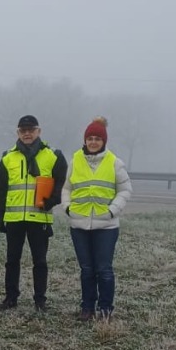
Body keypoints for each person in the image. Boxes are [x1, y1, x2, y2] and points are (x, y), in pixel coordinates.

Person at [0, 115, 67, 313]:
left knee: (40, 262)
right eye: (23, 130)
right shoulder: (7, 157)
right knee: (11, 261)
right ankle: (11, 297)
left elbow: (61, 184)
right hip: (14, 218)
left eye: (31, 130)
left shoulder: (53, 156)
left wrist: (51, 201)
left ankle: (40, 300)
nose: (27, 133)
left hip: (39, 218)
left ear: (39, 131)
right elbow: (0, 189)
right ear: (18, 133)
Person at [63, 117, 132, 321]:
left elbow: (125, 190)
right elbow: (67, 188)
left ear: (104, 141)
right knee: (86, 270)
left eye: (97, 139)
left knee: (104, 269)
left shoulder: (114, 162)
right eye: (90, 138)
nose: (93, 142)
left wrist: (112, 210)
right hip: (79, 224)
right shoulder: (75, 161)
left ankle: (105, 309)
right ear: (85, 140)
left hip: (106, 226)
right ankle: (87, 307)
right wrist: (68, 208)